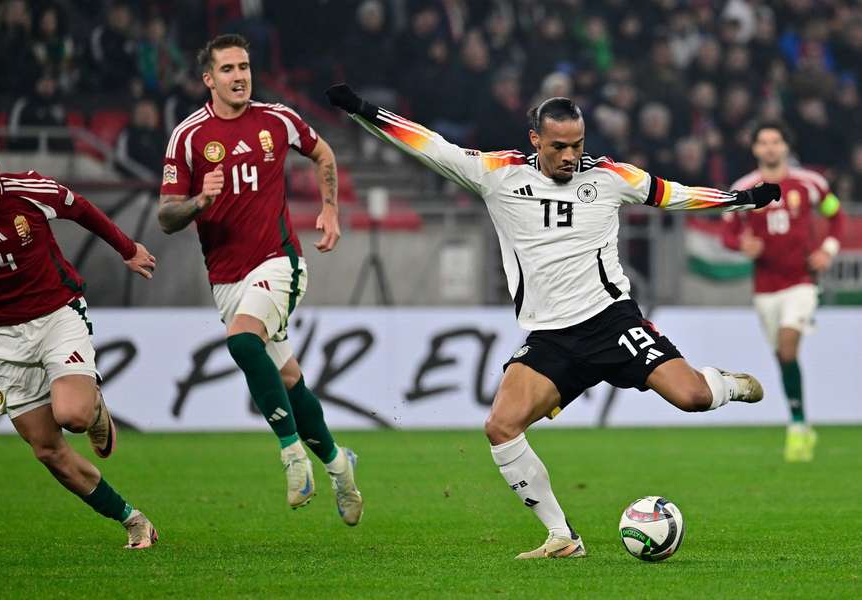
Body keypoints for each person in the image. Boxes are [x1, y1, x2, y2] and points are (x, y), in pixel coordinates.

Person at [326, 84, 780, 558]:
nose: (570, 156)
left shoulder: (610, 177)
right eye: (559, 146)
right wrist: (362, 110)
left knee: (693, 398)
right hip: (551, 337)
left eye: (577, 146)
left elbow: (676, 195)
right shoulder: (496, 174)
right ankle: (562, 537)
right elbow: (429, 145)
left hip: (612, 322)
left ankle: (726, 384)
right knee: (501, 426)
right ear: (535, 140)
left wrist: (744, 199)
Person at [157, 35, 362, 525]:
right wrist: (198, 204)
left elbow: (323, 154)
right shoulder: (187, 137)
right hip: (226, 278)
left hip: (279, 261)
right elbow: (166, 216)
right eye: (227, 69)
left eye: (244, 66)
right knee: (288, 381)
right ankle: (339, 467)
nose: (239, 76)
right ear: (208, 79)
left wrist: (330, 208)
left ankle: (293, 459)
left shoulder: (278, 119)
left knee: (242, 341)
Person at [0, 130, 158, 549]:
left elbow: (81, 208)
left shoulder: (27, 189)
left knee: (72, 416)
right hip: (1, 337)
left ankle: (92, 406)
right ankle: (133, 520)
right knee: (48, 451)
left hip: (57, 315)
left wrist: (126, 248)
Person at [723, 121, 844, 462]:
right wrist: (741, 245)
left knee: (788, 348)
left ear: (785, 147)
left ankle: (795, 427)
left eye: (776, 141)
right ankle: (802, 423)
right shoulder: (746, 188)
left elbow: (836, 217)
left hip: (802, 282)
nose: (771, 148)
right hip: (765, 289)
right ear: (756, 149)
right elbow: (728, 232)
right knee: (782, 356)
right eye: (764, 142)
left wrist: (828, 251)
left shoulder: (810, 184)